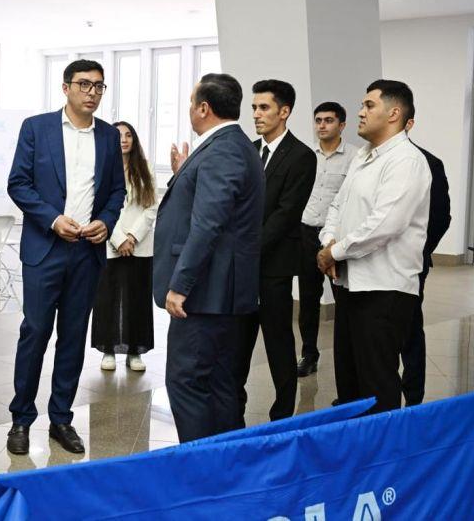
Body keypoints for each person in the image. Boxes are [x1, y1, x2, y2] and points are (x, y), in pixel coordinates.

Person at [5, 59, 125, 455]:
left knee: (73, 338)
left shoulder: (108, 136)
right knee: (35, 333)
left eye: (99, 86)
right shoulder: (36, 128)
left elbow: (117, 191)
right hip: (45, 248)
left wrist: (106, 221)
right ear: (66, 87)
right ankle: (21, 419)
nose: (92, 92)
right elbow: (18, 184)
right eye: (84, 84)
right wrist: (52, 219)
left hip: (87, 252)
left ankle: (61, 418)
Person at [154, 73, 264, 442]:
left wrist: (180, 285)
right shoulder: (231, 145)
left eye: (191, 103)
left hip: (207, 293)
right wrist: (184, 173)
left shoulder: (222, 150)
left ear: (204, 108)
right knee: (219, 382)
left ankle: (200, 464)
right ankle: (225, 461)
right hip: (222, 291)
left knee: (187, 380)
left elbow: (207, 225)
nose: (189, 109)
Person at [317, 79, 431, 414]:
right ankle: (357, 444)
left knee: (377, 386)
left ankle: (383, 447)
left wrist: (334, 252)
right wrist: (327, 240)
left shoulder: (407, 160)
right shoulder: (363, 156)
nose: (360, 112)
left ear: (393, 114)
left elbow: (385, 224)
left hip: (385, 290)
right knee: (349, 384)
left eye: (369, 105)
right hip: (351, 284)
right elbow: (337, 205)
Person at [235, 79, 316, 423]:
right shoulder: (248, 150)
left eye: (264, 107)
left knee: (278, 342)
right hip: (241, 267)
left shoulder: (301, 156)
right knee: (238, 343)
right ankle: (234, 411)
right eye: (254, 107)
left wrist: (247, 249)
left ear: (284, 112)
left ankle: (282, 415)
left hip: (274, 267)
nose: (256, 114)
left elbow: (287, 213)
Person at [297, 102, 358, 377]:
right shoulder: (306, 156)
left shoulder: (355, 158)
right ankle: (309, 355)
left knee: (343, 301)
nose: (322, 125)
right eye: (318, 120)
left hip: (337, 239)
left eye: (329, 120)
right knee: (308, 299)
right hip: (306, 234)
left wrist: (335, 242)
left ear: (341, 125)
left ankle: (348, 360)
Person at [91, 121, 157, 372]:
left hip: (140, 245)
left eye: (129, 135)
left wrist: (133, 236)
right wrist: (118, 238)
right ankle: (108, 350)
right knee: (108, 298)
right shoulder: (102, 168)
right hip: (110, 243)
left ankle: (134, 351)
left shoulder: (145, 168)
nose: (124, 140)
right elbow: (98, 208)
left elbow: (152, 207)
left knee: (137, 299)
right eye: (119, 135)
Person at [402, 117, 451, 405]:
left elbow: (441, 217)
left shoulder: (429, 162)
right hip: (368, 266)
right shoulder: (365, 159)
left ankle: (413, 397)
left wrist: (417, 251)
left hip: (411, 264)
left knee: (409, 330)